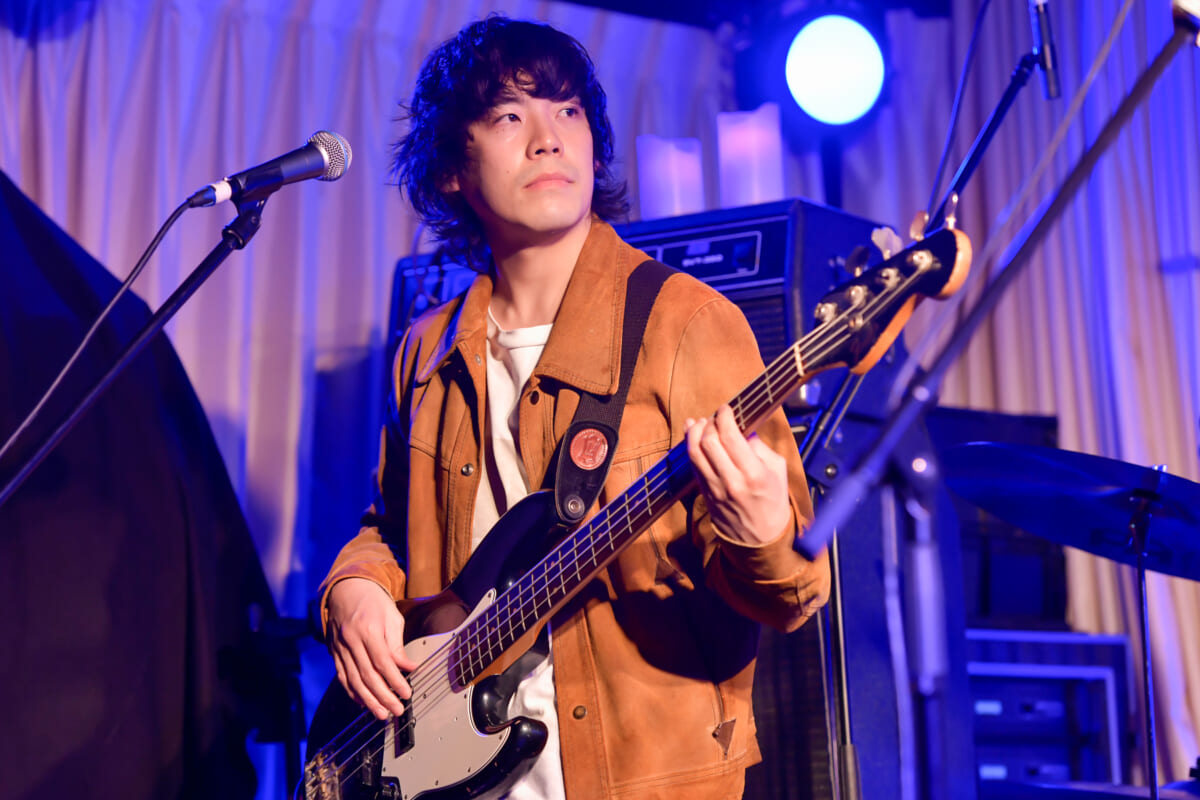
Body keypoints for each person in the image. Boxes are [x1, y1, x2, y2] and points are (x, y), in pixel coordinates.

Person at [318, 15, 830, 800]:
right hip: (447, 776)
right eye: (509, 116)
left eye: (567, 110)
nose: (548, 139)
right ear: (452, 167)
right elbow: (388, 528)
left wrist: (763, 532)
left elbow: (791, 594)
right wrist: (352, 592)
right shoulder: (426, 351)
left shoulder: (686, 324)